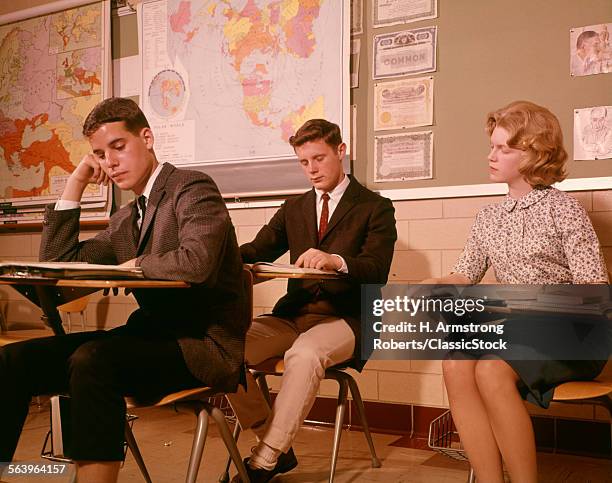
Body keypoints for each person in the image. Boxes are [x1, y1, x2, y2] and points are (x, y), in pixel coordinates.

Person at [0, 98, 246, 483]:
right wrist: (76, 182)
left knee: (92, 359)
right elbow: (59, 259)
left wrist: (136, 264)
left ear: (146, 138)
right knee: (11, 361)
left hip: (199, 345)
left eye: (118, 147)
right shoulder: (127, 217)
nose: (110, 162)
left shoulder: (191, 186)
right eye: (100, 154)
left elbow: (196, 262)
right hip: (146, 338)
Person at [423, 100, 609, 483]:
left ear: (535, 154)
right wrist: (434, 285)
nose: (491, 155)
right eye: (492, 145)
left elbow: (595, 291)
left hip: (572, 331)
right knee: (455, 365)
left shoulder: (565, 209)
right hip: (517, 330)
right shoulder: (488, 217)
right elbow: (465, 272)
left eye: (503, 148)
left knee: (491, 370)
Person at [226, 119, 397, 482]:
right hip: (293, 317)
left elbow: (378, 269)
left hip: (348, 320)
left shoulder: (375, 207)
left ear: (340, 151)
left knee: (304, 354)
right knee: (225, 348)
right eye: (304, 162)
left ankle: (265, 458)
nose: (312, 169)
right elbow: (257, 250)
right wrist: (211, 257)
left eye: (319, 158)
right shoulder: (294, 208)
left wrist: (336, 260)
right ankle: (275, 443)